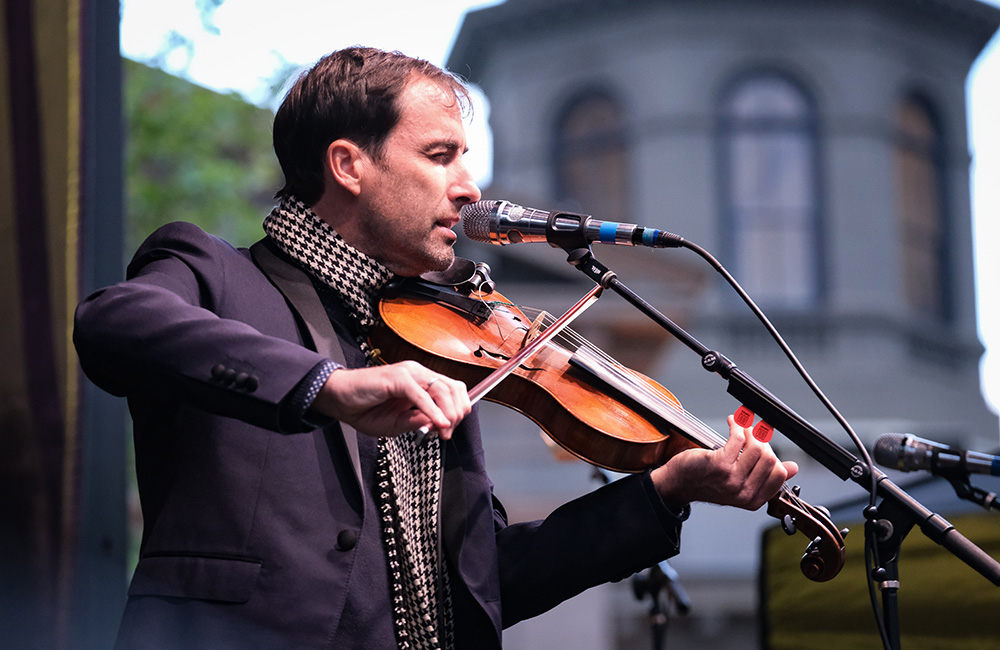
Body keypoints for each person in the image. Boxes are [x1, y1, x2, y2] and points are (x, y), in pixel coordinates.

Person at [74, 46, 796, 650]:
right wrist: (324, 385)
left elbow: (488, 584)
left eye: (465, 158)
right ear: (349, 165)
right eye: (440, 155)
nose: (467, 187)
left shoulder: (440, 335)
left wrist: (665, 491)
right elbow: (113, 322)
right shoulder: (218, 274)